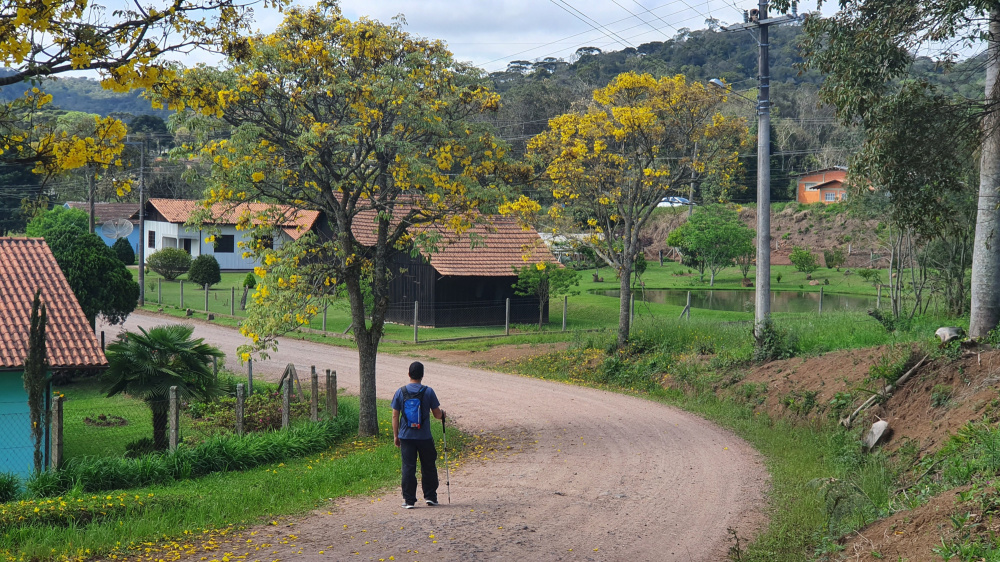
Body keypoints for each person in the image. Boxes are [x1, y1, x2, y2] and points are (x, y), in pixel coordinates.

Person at [391, 361, 446, 509]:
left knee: (408, 467)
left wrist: (396, 435)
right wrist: (443, 415)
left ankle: (409, 500)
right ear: (422, 375)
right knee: (428, 466)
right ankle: (430, 496)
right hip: (424, 436)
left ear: (409, 374)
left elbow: (395, 416)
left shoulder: (400, 392)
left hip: (406, 436)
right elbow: (437, 414)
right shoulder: (428, 391)